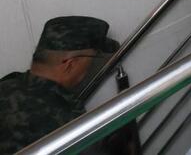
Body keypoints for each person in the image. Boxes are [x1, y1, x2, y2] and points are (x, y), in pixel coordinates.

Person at [0, 16, 121, 153]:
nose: (91, 67)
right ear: (71, 65)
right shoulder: (67, 123)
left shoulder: (5, 86)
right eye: (93, 60)